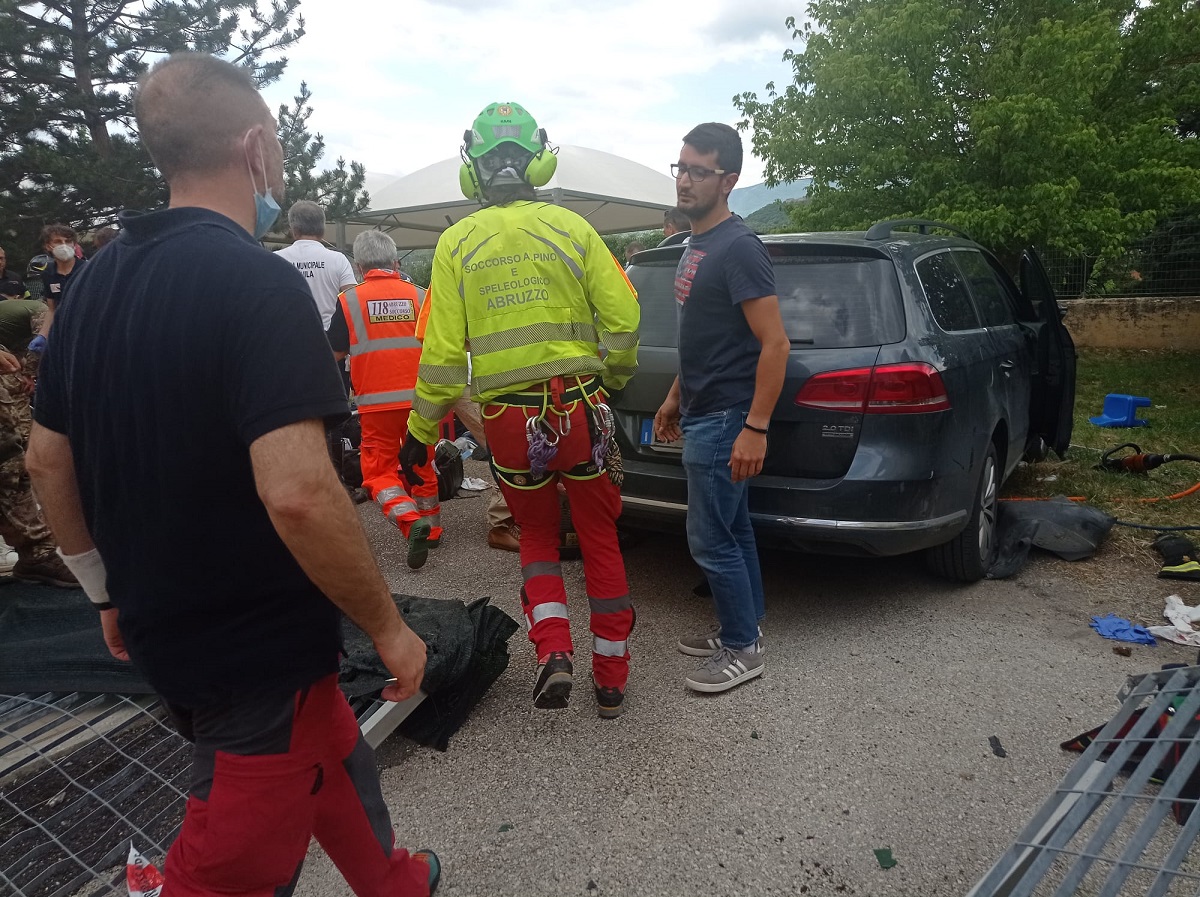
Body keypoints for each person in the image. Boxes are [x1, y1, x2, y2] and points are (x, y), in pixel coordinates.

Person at [26, 52, 439, 896]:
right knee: (228, 863)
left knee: (325, 737)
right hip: (250, 647)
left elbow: (45, 457)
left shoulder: (92, 284)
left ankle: (392, 878)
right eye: (278, 148)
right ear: (254, 149)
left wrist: (102, 591)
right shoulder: (258, 284)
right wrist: (389, 625)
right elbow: (296, 491)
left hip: (157, 622)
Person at [401, 101, 640, 718]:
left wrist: (419, 433)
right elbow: (624, 319)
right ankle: (611, 680)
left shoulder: (456, 243)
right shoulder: (574, 229)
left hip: (509, 426)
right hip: (579, 412)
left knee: (534, 534)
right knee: (598, 538)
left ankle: (554, 653)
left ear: (471, 171)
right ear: (540, 160)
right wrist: (608, 380)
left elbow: (444, 357)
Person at [653, 122, 789, 695]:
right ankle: (744, 630)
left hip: (728, 418)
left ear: (729, 180)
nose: (684, 180)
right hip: (703, 408)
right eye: (680, 167)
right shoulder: (696, 243)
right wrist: (674, 396)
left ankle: (742, 649)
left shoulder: (738, 248)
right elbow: (704, 337)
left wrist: (755, 427)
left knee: (709, 538)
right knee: (735, 529)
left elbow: (775, 343)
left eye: (698, 171)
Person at [327, 230, 440, 569]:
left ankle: (409, 520)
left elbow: (335, 352)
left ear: (359, 267)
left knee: (377, 471)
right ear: (395, 262)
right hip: (422, 399)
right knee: (422, 460)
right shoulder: (420, 296)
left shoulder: (348, 301)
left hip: (377, 403)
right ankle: (432, 529)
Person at [275, 200, 358, 329]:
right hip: (327, 337)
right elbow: (354, 300)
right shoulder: (338, 259)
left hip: (287, 334)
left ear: (293, 230)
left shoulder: (276, 259)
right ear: (322, 230)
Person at [39, 224, 87, 315]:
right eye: (58, 241)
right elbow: (52, 310)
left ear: (74, 245)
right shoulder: (48, 273)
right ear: (48, 246)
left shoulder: (87, 269)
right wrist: (45, 329)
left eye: (68, 241)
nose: (64, 245)